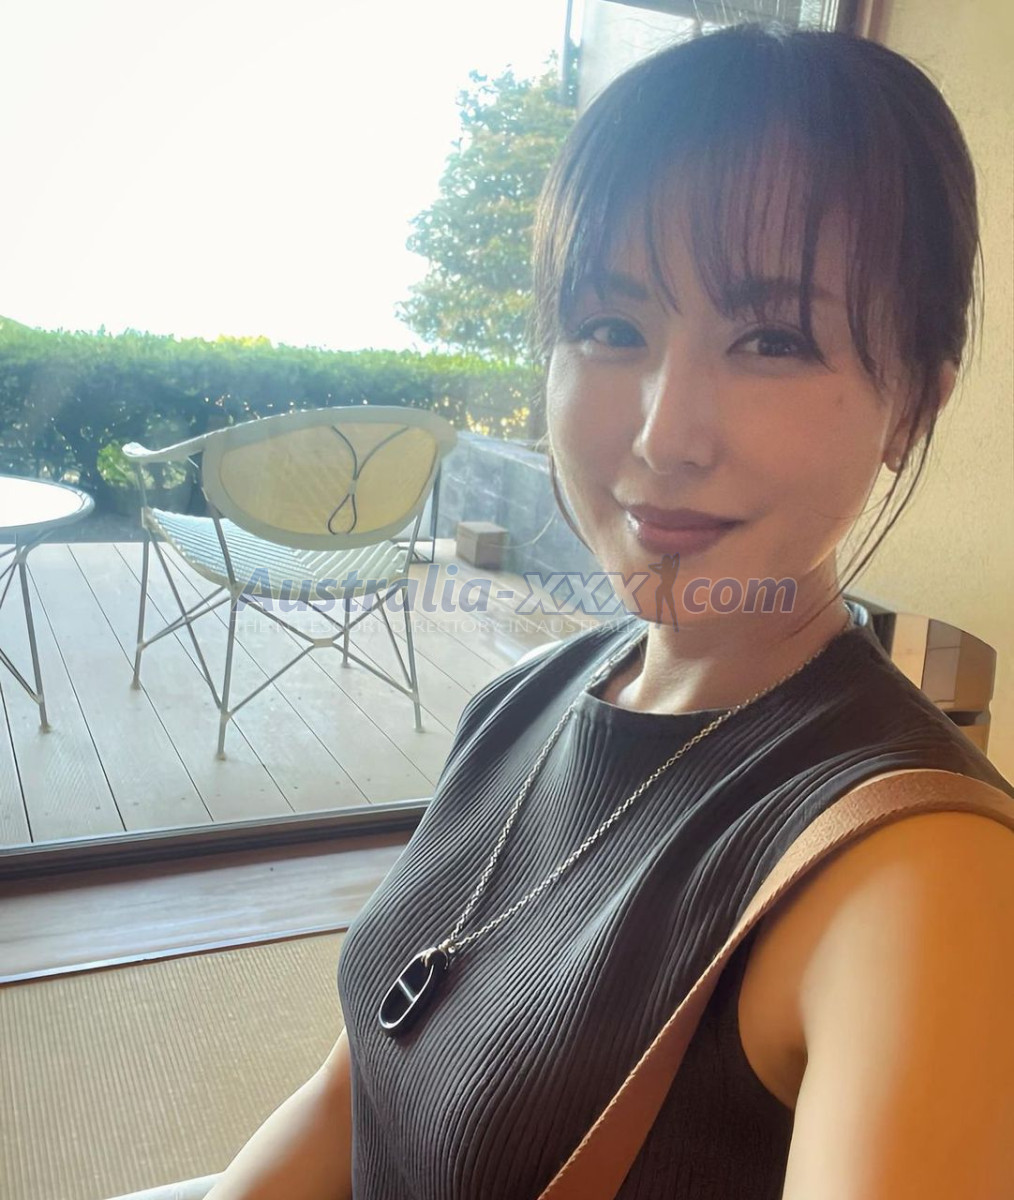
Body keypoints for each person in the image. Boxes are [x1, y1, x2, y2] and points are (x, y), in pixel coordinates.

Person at [204, 23, 1014, 1200]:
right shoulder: (528, 700)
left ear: (912, 408)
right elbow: (355, 1091)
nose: (663, 435)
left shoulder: (929, 878)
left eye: (773, 340)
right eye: (611, 329)